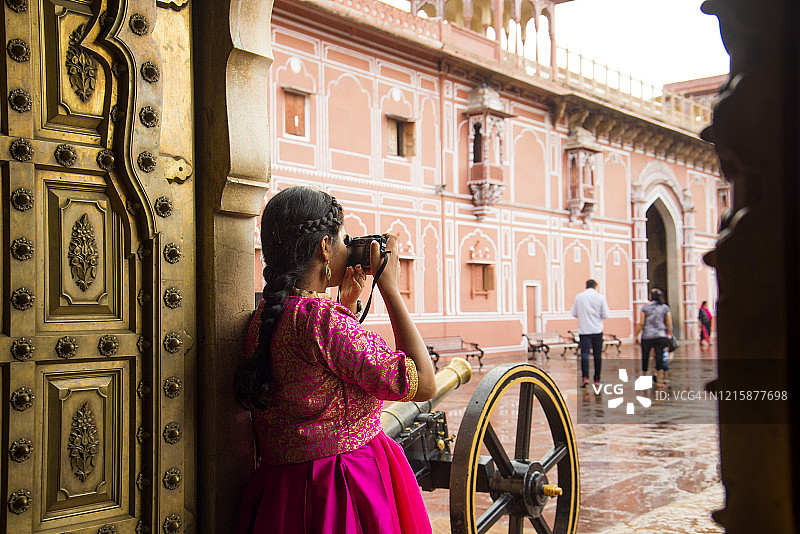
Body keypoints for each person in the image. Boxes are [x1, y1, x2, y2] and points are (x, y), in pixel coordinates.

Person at [234, 186, 436, 534]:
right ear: (325, 247)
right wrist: (389, 288)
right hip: (342, 488)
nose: (348, 249)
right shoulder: (324, 323)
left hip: (281, 494)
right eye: (344, 239)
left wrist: (348, 309)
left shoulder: (264, 317)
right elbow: (423, 383)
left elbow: (319, 375)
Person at [571, 279, 611, 387]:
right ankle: (597, 379)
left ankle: (585, 377)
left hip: (584, 330)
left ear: (586, 286)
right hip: (597, 330)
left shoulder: (579, 297)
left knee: (585, 354)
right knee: (597, 354)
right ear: (595, 286)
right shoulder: (600, 297)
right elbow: (606, 315)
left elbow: (573, 313)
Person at [635, 288, 673, 386]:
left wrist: (636, 334)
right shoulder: (665, 308)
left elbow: (641, 323)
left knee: (645, 357)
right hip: (660, 336)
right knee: (659, 357)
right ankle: (659, 380)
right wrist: (670, 334)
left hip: (647, 336)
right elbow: (669, 323)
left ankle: (644, 378)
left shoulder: (645, 308)